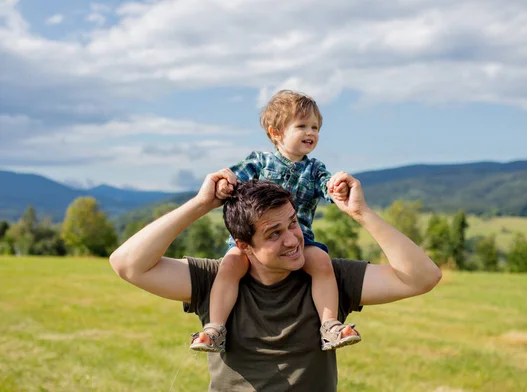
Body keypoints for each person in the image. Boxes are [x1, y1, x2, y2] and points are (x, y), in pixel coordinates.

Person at [109, 169, 442, 391]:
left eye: (293, 223)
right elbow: (127, 264)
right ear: (243, 245)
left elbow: (422, 278)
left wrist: (361, 214)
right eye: (274, 233)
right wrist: (200, 205)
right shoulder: (216, 279)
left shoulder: (326, 276)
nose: (293, 240)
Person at [191, 90, 356, 353]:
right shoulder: (260, 161)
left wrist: (337, 188)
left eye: (315, 127)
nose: (310, 132)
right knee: (231, 264)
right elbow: (235, 178)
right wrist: (224, 185)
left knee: (322, 262)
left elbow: (326, 186)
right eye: (301, 126)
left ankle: (330, 326)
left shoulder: (314, 169)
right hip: (256, 240)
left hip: (300, 239)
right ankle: (215, 329)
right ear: (276, 132)